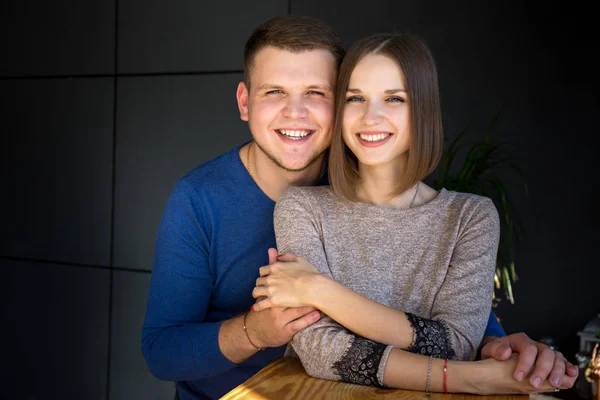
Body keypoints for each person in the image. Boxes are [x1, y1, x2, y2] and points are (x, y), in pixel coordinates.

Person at [141, 16, 578, 400]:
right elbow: (161, 354)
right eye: (275, 91)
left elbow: (449, 316)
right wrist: (255, 332)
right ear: (244, 101)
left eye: (316, 92)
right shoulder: (200, 199)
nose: (296, 113)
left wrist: (495, 346)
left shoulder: (370, 177)